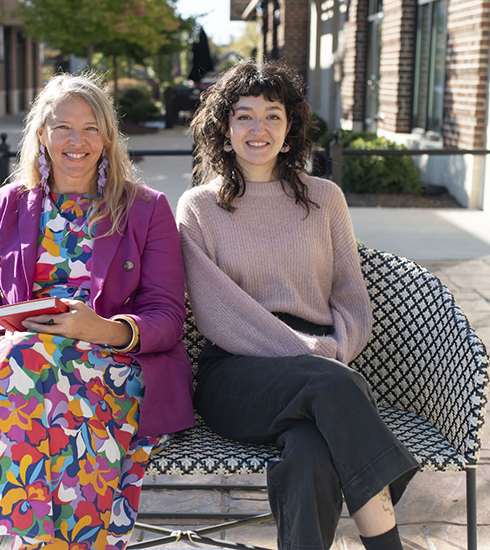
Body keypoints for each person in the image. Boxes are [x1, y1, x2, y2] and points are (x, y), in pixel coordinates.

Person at [0, 73, 195, 550]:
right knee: (29, 364)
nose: (76, 141)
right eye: (62, 127)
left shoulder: (146, 209)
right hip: (28, 371)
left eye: (90, 128)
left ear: (107, 138)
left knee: (29, 370)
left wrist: (102, 328)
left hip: (119, 370)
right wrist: (2, 340)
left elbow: (167, 317)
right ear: (41, 133)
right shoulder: (8, 205)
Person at [176, 59, 419, 550]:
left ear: (289, 133)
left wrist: (330, 351)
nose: (258, 128)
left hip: (320, 368)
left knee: (311, 453)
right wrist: (306, 354)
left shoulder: (325, 198)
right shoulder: (199, 206)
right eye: (243, 115)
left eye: (272, 115)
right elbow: (217, 313)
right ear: (225, 131)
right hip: (237, 371)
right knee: (333, 386)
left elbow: (352, 299)